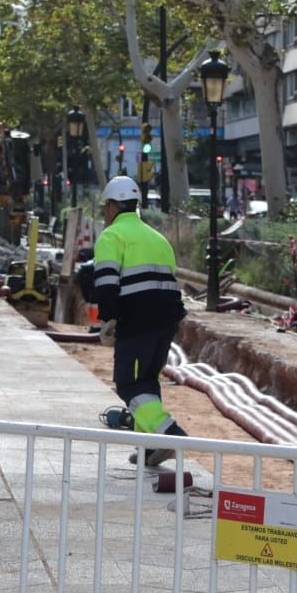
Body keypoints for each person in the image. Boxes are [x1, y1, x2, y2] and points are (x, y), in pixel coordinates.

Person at [94, 174, 188, 466]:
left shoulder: (111, 236)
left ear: (111, 206)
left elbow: (107, 287)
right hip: (166, 322)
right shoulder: (158, 238)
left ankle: (170, 434)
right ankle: (150, 447)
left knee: (129, 383)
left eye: (105, 208)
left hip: (138, 322)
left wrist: (108, 319)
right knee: (147, 382)